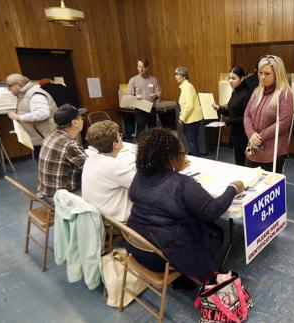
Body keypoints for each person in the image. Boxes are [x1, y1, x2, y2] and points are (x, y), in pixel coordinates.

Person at [126, 128, 245, 282]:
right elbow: (213, 211)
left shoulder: (140, 175)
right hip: (163, 258)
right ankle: (202, 274)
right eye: (182, 154)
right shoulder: (182, 184)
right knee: (216, 232)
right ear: (171, 158)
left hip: (138, 247)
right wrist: (233, 188)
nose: (184, 157)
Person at [243, 55, 294, 173]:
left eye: (267, 73)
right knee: (250, 185)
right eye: (260, 73)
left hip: (273, 151)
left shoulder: (285, 93)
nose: (262, 77)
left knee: (268, 187)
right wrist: (251, 134)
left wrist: (260, 137)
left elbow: (283, 123)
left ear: (277, 73)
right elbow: (247, 114)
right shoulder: (257, 91)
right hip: (253, 146)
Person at [82, 120, 135, 222]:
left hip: (97, 214)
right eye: (120, 136)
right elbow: (141, 185)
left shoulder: (90, 158)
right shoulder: (114, 166)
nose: (121, 138)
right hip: (114, 221)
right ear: (115, 144)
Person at [38, 104, 87, 201]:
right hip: (60, 197)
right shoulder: (70, 144)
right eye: (82, 118)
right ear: (75, 122)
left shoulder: (52, 136)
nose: (83, 120)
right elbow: (90, 168)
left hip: (46, 192)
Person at [5, 74, 58, 161]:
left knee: (51, 169)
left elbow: (42, 113)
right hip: (41, 139)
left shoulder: (35, 94)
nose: (8, 89)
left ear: (19, 84)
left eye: (10, 85)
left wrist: (18, 117)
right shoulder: (24, 95)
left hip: (46, 139)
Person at [212, 66, 251, 166]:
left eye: (233, 78)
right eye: (229, 78)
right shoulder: (234, 92)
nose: (230, 81)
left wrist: (227, 122)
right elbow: (231, 111)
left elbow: (246, 118)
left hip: (243, 134)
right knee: (238, 161)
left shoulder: (246, 94)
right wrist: (219, 108)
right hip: (235, 132)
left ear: (242, 78)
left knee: (243, 163)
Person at [127, 58, 161, 136]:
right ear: (137, 67)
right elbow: (129, 95)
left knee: (153, 130)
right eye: (139, 67)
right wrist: (135, 97)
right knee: (140, 130)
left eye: (143, 67)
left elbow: (158, 93)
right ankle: (140, 146)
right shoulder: (133, 80)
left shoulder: (153, 80)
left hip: (151, 108)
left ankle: (153, 146)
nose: (141, 69)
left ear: (147, 67)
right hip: (140, 109)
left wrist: (155, 95)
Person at [175, 67, 203, 156]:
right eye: (175, 74)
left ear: (184, 76)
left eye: (178, 74)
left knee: (192, 142)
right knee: (192, 141)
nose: (176, 76)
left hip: (192, 119)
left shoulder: (187, 87)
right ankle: (195, 156)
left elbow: (189, 106)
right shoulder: (185, 86)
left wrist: (181, 118)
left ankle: (196, 161)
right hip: (192, 118)